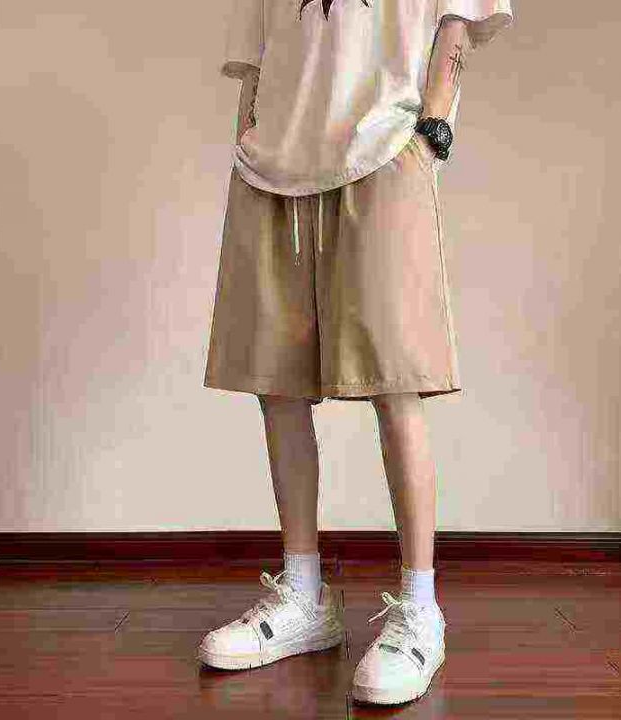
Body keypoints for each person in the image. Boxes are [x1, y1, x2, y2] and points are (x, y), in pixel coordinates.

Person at [198, 0, 514, 706]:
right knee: (276, 382)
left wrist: (431, 133)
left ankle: (420, 608)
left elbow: (458, 20)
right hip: (271, 165)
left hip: (385, 146)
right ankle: (303, 592)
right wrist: (247, 139)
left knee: (395, 380)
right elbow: (257, 50)